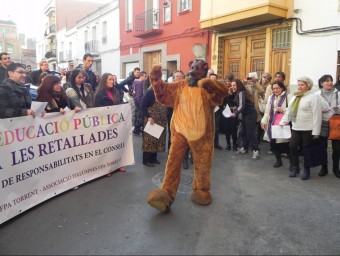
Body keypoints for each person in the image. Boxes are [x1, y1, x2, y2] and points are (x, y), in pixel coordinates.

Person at [147, 59, 228, 212]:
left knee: (202, 163)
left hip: (201, 133)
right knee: (172, 161)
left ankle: (201, 189)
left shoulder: (206, 87)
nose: (192, 71)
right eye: (191, 67)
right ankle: (166, 193)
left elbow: (221, 94)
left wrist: (209, 84)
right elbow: (165, 93)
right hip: (180, 130)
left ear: (204, 71)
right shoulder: (181, 84)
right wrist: (157, 81)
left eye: (197, 69)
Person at [279, 76, 322, 180]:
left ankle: (306, 170)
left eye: (302, 84)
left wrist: (316, 132)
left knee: (306, 150)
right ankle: (295, 167)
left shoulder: (313, 97)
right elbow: (289, 111)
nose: (299, 86)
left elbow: (317, 115)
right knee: (292, 146)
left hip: (308, 128)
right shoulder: (295, 97)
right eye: (298, 84)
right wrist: (282, 122)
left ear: (308, 86)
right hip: (296, 127)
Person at [94, 72, 125, 174]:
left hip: (116, 123)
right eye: (110, 79)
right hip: (105, 124)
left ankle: (118, 164)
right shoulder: (99, 94)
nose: (112, 81)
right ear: (104, 81)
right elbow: (97, 110)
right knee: (107, 147)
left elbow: (119, 104)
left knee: (117, 144)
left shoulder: (115, 91)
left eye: (113, 79)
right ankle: (107, 168)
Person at [261, 80, 292, 168]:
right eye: (273, 88)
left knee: (286, 145)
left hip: (283, 124)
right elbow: (267, 112)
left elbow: (292, 110)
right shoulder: (271, 97)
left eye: (277, 88)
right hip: (272, 124)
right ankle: (278, 161)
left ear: (282, 88)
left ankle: (292, 163)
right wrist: (264, 121)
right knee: (274, 144)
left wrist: (283, 110)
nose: (275, 90)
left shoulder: (288, 97)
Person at [315, 74, 340, 178]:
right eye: (327, 81)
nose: (330, 82)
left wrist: (337, 109)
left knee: (337, 148)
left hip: (335, 121)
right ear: (321, 83)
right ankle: (324, 168)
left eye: (331, 80)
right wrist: (320, 111)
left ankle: (335, 169)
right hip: (323, 122)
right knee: (322, 147)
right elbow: (313, 109)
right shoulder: (316, 95)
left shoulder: (338, 93)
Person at [230, 79, 260, 159]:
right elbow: (241, 105)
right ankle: (245, 148)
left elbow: (242, 105)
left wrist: (235, 113)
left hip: (250, 115)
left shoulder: (241, 92)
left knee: (250, 133)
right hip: (245, 115)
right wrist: (236, 108)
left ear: (238, 86)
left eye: (234, 85)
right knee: (243, 132)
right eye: (231, 85)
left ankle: (256, 150)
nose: (232, 87)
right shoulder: (239, 93)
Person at [141, 86, 167, 167]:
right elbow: (143, 106)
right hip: (151, 121)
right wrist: (148, 117)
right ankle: (146, 160)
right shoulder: (150, 93)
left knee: (157, 140)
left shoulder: (162, 94)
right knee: (149, 140)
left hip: (160, 122)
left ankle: (153, 158)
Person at [221, 73, 238, 151]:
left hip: (233, 111)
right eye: (226, 81)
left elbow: (237, 101)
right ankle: (228, 145)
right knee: (226, 129)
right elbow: (221, 101)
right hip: (225, 111)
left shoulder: (235, 90)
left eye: (229, 81)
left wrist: (232, 93)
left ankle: (234, 145)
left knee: (234, 129)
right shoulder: (223, 89)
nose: (228, 83)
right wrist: (225, 94)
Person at [209, 73, 224, 149]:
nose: (213, 81)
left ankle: (216, 143)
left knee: (216, 127)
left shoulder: (219, 88)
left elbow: (222, 98)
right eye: (211, 79)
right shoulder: (205, 88)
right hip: (207, 110)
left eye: (214, 79)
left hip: (217, 110)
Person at [132, 71, 148, 136]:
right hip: (139, 102)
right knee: (140, 116)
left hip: (136, 100)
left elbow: (133, 92)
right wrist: (141, 104)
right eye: (145, 76)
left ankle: (135, 128)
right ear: (141, 76)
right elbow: (139, 95)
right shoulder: (139, 83)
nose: (146, 78)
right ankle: (137, 130)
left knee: (137, 114)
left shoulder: (135, 81)